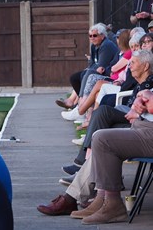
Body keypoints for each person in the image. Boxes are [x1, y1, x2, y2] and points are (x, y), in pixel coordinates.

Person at [37, 50, 153, 216]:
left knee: (103, 131)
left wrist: (141, 108)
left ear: (146, 66)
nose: (129, 66)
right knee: (102, 132)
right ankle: (96, 198)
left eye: (133, 63)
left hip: (143, 127)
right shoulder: (139, 81)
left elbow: (147, 104)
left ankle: (97, 198)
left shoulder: (149, 82)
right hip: (139, 124)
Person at [78, 89, 153, 224]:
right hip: (142, 124)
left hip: (149, 131)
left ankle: (113, 205)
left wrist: (148, 97)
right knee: (100, 135)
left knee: (103, 139)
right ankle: (102, 198)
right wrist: (140, 97)